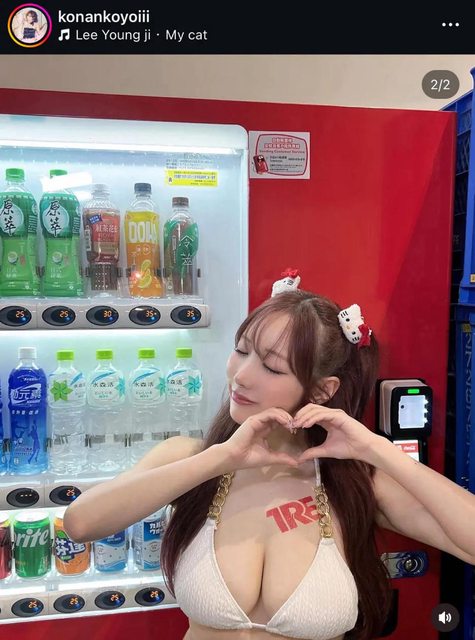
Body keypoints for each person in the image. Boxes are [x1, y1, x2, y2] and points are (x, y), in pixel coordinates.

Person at [64, 276, 475, 640]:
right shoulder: (192, 458)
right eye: (241, 351)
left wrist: (377, 449)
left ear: (322, 390)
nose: (241, 375)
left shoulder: (354, 481)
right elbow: (81, 523)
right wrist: (221, 458)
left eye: (272, 368)